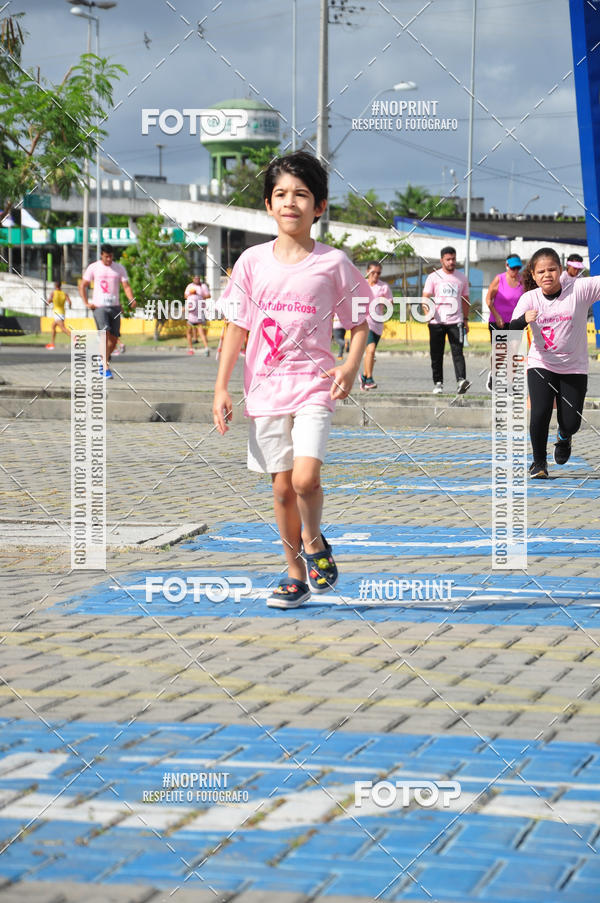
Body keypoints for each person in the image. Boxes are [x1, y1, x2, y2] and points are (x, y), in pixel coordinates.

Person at [213, 151, 370, 610]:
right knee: (281, 488)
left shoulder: (333, 263)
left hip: (314, 386)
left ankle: (314, 538)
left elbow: (360, 322)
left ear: (318, 206)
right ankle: (294, 571)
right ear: (267, 204)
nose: (290, 202)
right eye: (281, 194)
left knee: (304, 480)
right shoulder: (250, 263)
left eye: (301, 194)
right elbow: (236, 328)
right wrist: (221, 387)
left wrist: (348, 365)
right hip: (264, 389)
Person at [509, 246, 600, 479]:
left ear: (561, 270)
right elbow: (511, 331)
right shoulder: (529, 299)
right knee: (539, 413)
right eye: (541, 272)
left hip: (574, 366)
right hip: (541, 364)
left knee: (571, 423)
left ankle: (564, 436)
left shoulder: (579, 288)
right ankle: (539, 463)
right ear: (533, 274)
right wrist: (523, 319)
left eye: (551, 269)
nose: (547, 275)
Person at [80, 244, 136, 379]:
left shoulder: (119, 268)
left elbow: (126, 286)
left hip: (115, 307)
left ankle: (102, 359)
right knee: (105, 332)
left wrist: (131, 299)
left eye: (111, 256)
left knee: (114, 338)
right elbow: (83, 285)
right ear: (101, 255)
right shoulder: (94, 267)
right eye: (106, 257)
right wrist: (86, 302)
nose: (109, 259)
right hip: (99, 307)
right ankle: (105, 367)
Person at [422, 246, 471, 395]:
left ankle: (461, 381)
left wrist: (466, 320)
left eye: (453, 259)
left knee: (458, 352)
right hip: (436, 322)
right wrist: (427, 312)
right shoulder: (433, 277)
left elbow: (465, 300)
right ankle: (438, 383)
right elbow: (425, 297)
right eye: (448, 259)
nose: (451, 262)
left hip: (455, 321)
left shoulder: (461, 277)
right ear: (442, 260)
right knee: (436, 354)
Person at [484, 254, 524, 390]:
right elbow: (488, 300)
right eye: (513, 268)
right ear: (507, 266)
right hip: (498, 322)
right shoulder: (499, 279)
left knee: (513, 351)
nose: (515, 271)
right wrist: (497, 315)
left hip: (515, 322)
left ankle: (510, 383)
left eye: (518, 268)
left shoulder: (522, 281)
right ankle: (493, 375)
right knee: (500, 353)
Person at [359, 261, 394, 391]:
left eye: (378, 273)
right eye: (373, 272)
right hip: (363, 323)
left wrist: (385, 304)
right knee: (371, 350)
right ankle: (369, 379)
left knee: (370, 353)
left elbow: (390, 302)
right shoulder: (360, 285)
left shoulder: (383, 287)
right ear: (367, 272)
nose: (376, 275)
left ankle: (363, 376)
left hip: (377, 324)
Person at [185, 275, 211, 355]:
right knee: (192, 332)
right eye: (195, 278)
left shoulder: (203, 287)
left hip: (196, 315)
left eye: (197, 278)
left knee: (198, 332)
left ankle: (203, 348)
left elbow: (209, 296)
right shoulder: (190, 287)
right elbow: (185, 296)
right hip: (195, 314)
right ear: (193, 279)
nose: (196, 279)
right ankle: (194, 348)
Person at [44, 281, 71, 348]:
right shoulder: (64, 294)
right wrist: (70, 306)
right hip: (62, 312)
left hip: (57, 312)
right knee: (53, 326)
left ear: (55, 286)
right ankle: (52, 343)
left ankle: (75, 338)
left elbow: (48, 302)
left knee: (63, 328)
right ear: (60, 286)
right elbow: (70, 302)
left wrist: (47, 303)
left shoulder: (53, 293)